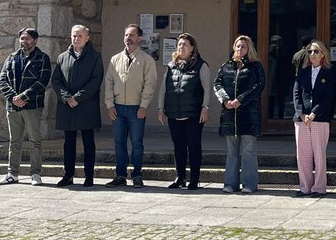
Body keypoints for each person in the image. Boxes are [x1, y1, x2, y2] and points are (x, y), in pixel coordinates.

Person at [103, 23, 159, 188]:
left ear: (139, 38)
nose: (128, 38)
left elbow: (150, 84)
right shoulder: (115, 59)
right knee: (119, 143)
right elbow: (109, 83)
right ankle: (120, 175)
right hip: (118, 108)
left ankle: (137, 175)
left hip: (136, 108)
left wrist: (144, 105)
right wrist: (109, 104)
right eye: (126, 35)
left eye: (132, 35)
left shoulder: (147, 60)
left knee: (137, 143)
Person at [0, 27, 52, 186]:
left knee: (35, 140)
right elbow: (2, 80)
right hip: (13, 107)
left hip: (32, 106)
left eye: (27, 38)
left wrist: (24, 97)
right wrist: (13, 97)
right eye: (22, 38)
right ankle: (12, 174)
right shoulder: (12, 58)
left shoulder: (42, 58)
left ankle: (35, 173)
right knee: (14, 141)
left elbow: (42, 81)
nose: (24, 41)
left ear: (35, 40)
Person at [51, 24, 103, 187]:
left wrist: (78, 98)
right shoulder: (62, 57)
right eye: (74, 35)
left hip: (86, 106)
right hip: (68, 107)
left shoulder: (95, 57)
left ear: (87, 38)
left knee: (88, 142)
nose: (76, 39)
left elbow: (96, 81)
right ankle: (68, 175)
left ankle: (89, 176)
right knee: (69, 143)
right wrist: (67, 98)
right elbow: (56, 80)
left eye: (80, 36)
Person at [214, 34, 265, 193]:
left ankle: (249, 184)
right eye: (237, 46)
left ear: (249, 48)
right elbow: (217, 84)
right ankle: (230, 184)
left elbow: (258, 86)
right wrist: (225, 100)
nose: (240, 49)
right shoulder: (226, 66)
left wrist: (241, 99)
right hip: (230, 116)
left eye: (243, 46)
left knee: (249, 151)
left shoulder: (256, 66)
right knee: (232, 152)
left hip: (249, 115)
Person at [158, 32, 209, 190]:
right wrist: (161, 109)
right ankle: (180, 177)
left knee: (194, 147)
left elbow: (207, 88)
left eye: (185, 44)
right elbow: (163, 90)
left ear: (192, 48)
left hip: (193, 114)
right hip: (174, 114)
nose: (181, 47)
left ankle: (194, 178)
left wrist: (205, 108)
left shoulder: (201, 65)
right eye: (179, 44)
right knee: (178, 147)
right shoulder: (171, 66)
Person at [293, 40, 335, 197]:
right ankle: (305, 187)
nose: (312, 54)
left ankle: (318, 187)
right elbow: (296, 94)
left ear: (323, 54)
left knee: (319, 154)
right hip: (301, 119)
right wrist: (301, 114)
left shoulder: (329, 73)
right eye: (310, 51)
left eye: (316, 51)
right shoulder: (302, 72)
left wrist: (313, 113)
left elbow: (328, 97)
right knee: (302, 155)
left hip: (320, 119)